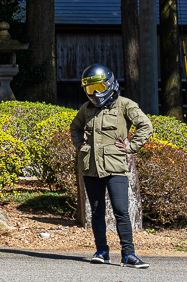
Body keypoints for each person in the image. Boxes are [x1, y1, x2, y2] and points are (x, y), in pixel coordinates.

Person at [70, 64, 153, 269]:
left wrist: (132, 146)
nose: (95, 93)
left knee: (121, 211)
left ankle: (128, 255)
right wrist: (80, 144)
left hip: (115, 166)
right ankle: (102, 251)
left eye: (98, 87)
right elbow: (75, 126)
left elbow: (146, 125)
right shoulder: (87, 108)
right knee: (97, 211)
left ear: (109, 84)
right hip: (90, 167)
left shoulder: (125, 105)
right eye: (90, 89)